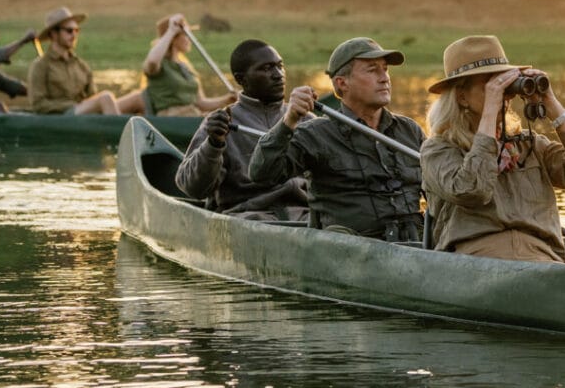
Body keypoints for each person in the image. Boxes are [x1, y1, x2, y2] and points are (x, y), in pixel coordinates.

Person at [421, 34, 565, 262]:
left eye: (505, 85)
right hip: (474, 262)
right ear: (462, 97)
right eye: (490, 86)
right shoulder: (438, 150)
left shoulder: (528, 145)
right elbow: (472, 190)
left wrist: (552, 105)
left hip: (542, 259)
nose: (503, 95)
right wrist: (490, 112)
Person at [248, 36, 424, 241]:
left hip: (417, 247)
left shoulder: (409, 130)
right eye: (372, 70)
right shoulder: (315, 134)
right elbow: (262, 174)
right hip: (350, 251)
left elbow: (439, 190)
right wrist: (289, 120)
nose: (384, 78)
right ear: (342, 83)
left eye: (385, 69)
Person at [175, 38, 308, 219]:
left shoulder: (306, 119)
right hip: (247, 218)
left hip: (305, 216)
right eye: (266, 68)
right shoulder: (222, 123)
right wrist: (214, 144)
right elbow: (193, 188)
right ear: (241, 79)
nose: (278, 75)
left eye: (280, 66)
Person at [118, 14, 237, 117]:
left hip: (193, 116)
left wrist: (227, 100)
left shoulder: (185, 67)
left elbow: (200, 103)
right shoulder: (159, 65)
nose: (189, 39)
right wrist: (171, 30)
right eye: (185, 35)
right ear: (173, 39)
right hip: (171, 118)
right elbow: (152, 61)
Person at [26, 6, 119, 115]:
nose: (74, 35)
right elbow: (38, 104)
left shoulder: (81, 66)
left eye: (76, 30)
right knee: (106, 97)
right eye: (69, 31)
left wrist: (87, 105)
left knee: (135, 98)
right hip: (63, 115)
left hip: (85, 113)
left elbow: (93, 97)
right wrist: (72, 105)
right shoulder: (41, 66)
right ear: (54, 34)